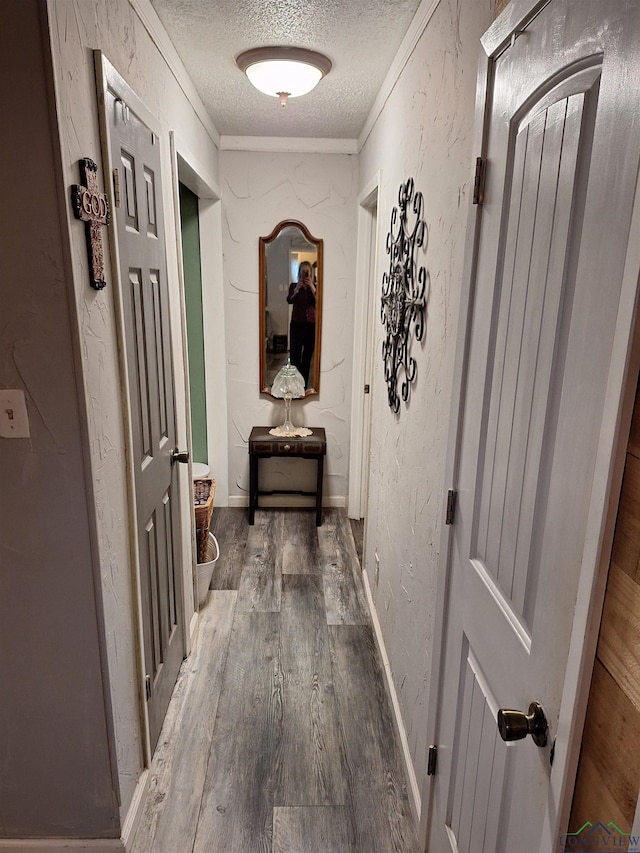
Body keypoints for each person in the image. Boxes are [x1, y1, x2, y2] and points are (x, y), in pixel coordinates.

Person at [286, 260, 316, 386]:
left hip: (311, 325)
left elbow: (320, 303)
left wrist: (312, 287)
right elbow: (289, 300)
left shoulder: (314, 288)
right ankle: (294, 384)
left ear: (311, 273)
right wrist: (297, 289)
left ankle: (303, 384)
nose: (305, 275)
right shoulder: (294, 286)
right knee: (295, 355)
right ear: (299, 274)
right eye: (303, 272)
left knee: (307, 356)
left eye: (307, 272)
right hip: (296, 325)